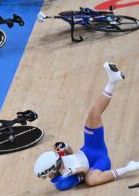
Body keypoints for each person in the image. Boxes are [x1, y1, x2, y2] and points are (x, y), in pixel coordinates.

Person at [34, 62, 139, 190]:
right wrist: (73, 171)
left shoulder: (59, 162)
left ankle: (113, 79)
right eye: (59, 163)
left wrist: (65, 146)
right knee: (91, 180)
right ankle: (129, 167)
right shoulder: (62, 183)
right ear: (52, 171)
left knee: (94, 114)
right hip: (98, 163)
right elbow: (85, 170)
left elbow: (71, 153)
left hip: (90, 148)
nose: (61, 161)